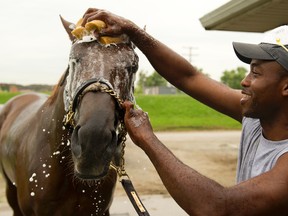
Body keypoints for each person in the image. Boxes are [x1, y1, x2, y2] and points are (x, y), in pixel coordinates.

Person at [81, 8, 288, 216]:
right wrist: (134, 32)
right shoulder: (257, 117)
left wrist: (148, 140)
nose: (245, 81)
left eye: (256, 73)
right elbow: (188, 78)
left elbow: (220, 208)